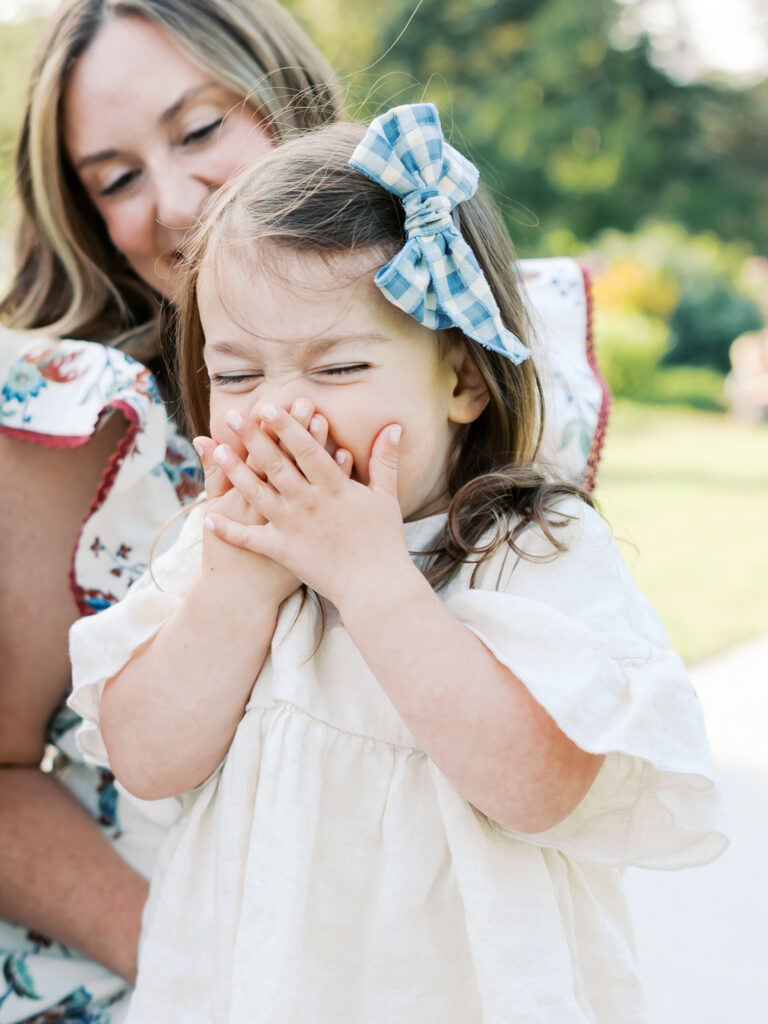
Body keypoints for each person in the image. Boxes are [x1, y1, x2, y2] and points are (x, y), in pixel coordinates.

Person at [69, 104, 726, 1023]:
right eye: (238, 374)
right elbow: (146, 758)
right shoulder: (223, 548)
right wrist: (235, 591)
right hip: (249, 989)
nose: (279, 412)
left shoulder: (528, 546)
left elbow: (540, 787)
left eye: (335, 369)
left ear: (461, 377)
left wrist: (371, 580)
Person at [0, 1, 342, 1020]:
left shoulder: (452, 368)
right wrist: (218, 981)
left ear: (292, 104)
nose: (177, 197)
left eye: (199, 129)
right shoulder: (84, 426)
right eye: (115, 177)